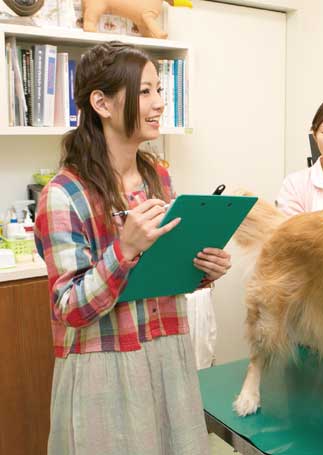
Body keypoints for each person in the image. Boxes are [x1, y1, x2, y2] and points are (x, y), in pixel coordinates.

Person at [34, 42, 231, 455]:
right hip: (105, 370)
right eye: (145, 92)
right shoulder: (63, 195)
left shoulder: (158, 175)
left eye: (159, 90)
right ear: (101, 103)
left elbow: (161, 275)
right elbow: (69, 308)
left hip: (168, 358)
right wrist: (122, 251)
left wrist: (201, 269)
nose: (159, 103)